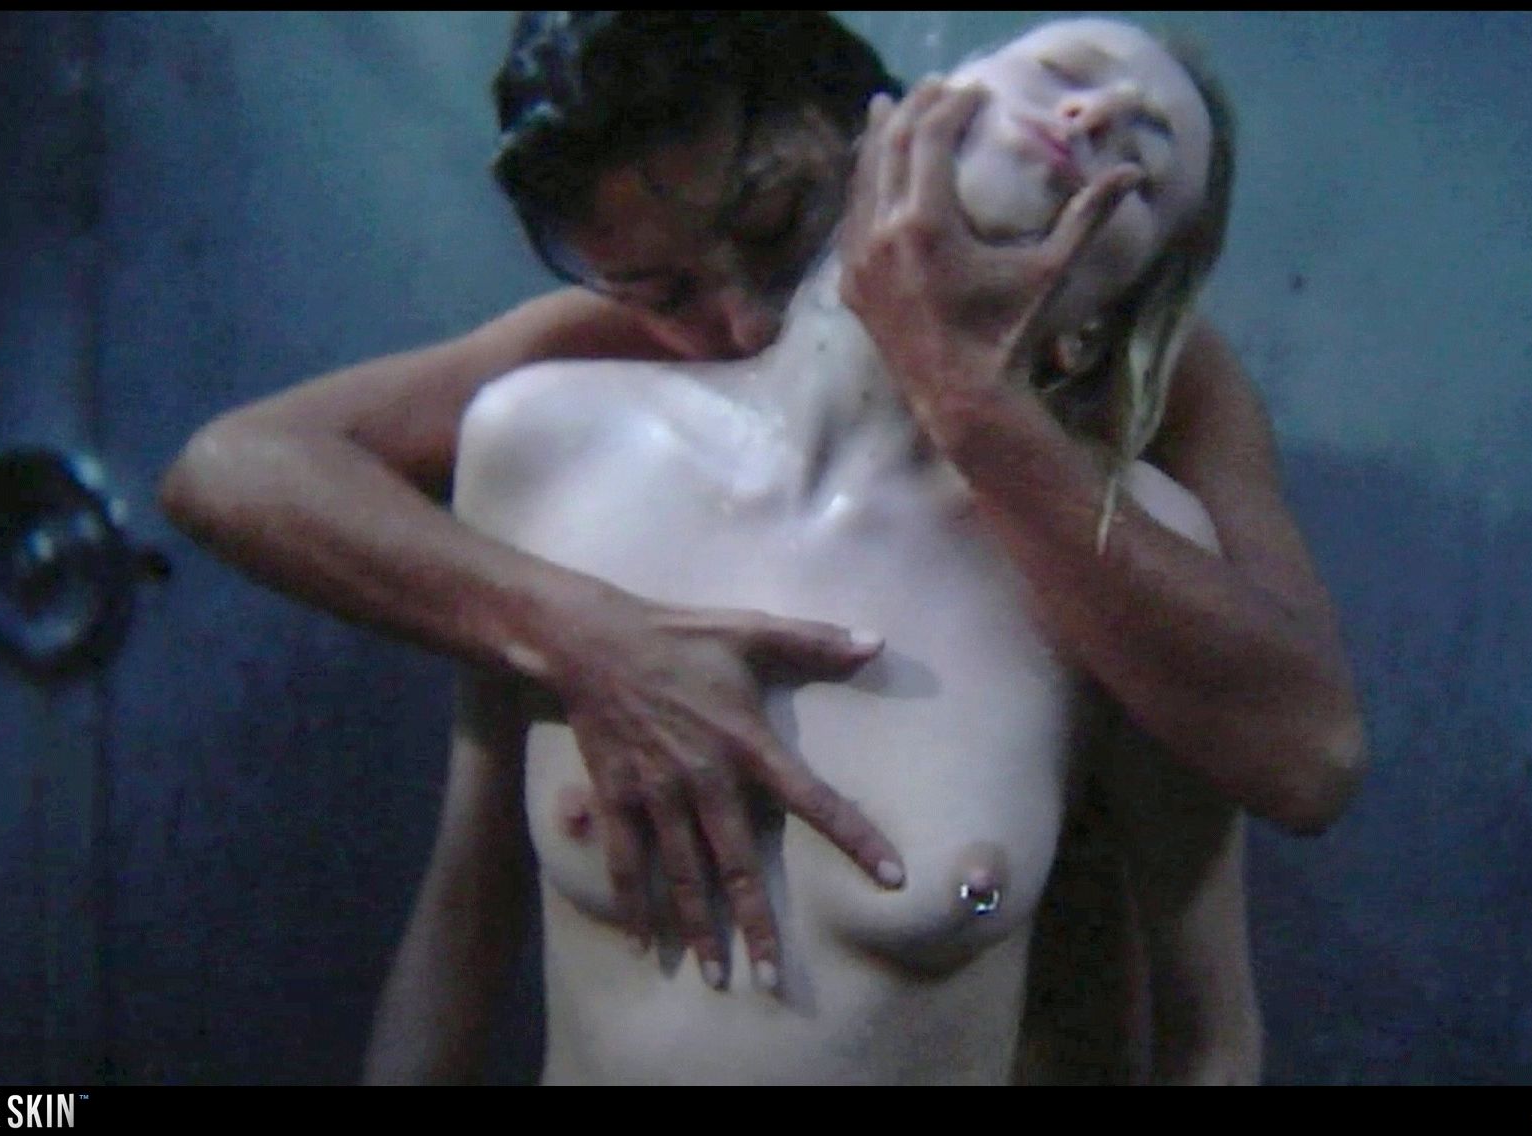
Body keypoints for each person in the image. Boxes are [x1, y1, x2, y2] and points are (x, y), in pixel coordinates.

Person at [159, 12, 1364, 1083]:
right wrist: (590, 634)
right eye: (660, 292)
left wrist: (965, 392)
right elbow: (229, 470)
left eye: (772, 223)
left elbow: (1303, 760)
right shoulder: (568, 409)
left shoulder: (1160, 400)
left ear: (872, 122)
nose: (734, 318)